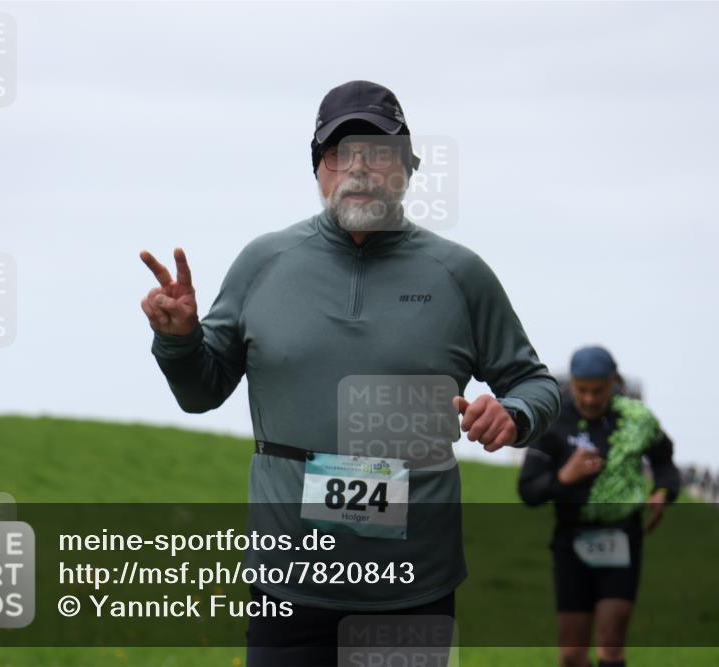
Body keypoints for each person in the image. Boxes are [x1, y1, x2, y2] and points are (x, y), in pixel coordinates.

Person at [139, 80, 561, 666]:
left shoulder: (460, 275)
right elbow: (200, 393)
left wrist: (513, 413)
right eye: (341, 152)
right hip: (287, 584)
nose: (359, 167)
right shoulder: (264, 263)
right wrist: (179, 340)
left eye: (378, 152)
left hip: (413, 586)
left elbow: (536, 384)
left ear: (408, 168)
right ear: (318, 169)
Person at [518, 346, 680, 667]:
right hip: (571, 539)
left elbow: (665, 463)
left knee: (611, 644)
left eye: (599, 391)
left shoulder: (634, 419)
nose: (590, 399)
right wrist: (564, 477)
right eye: (582, 390)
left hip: (622, 536)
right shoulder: (554, 420)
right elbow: (528, 490)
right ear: (571, 384)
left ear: (613, 383)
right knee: (571, 655)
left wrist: (663, 491)